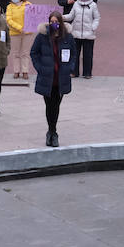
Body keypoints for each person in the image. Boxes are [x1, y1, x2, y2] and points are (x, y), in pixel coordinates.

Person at [30, 10, 76, 147]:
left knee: (56, 105)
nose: (54, 24)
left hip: (60, 78)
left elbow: (73, 53)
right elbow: (34, 53)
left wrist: (70, 67)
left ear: (61, 23)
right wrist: (40, 67)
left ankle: (52, 131)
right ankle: (51, 132)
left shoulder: (67, 37)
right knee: (49, 105)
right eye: (51, 22)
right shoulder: (42, 37)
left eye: (56, 22)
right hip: (47, 78)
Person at [64, 0, 100, 79]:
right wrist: (62, 17)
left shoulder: (93, 5)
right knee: (75, 54)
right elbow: (71, 16)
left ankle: (87, 73)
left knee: (88, 55)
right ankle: (74, 72)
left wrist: (93, 27)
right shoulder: (76, 4)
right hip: (76, 33)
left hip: (89, 34)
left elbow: (96, 18)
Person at [5, 0, 31, 79]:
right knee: (15, 53)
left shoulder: (28, 4)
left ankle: (25, 71)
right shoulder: (9, 7)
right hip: (15, 33)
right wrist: (20, 28)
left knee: (25, 53)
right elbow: (9, 20)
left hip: (27, 33)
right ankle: (16, 71)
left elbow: (33, 15)